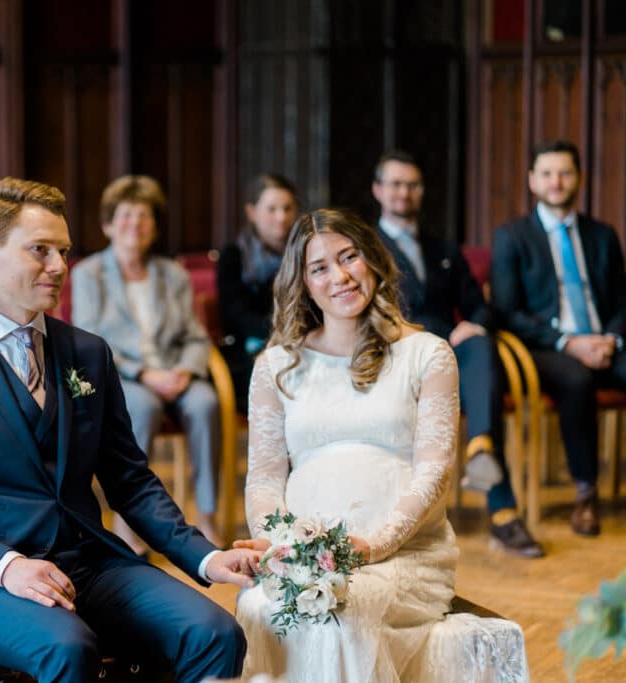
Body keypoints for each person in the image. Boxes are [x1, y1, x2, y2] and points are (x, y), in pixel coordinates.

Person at [0, 177, 260, 683]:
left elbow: (130, 480)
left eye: (63, 251)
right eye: (40, 250)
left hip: (90, 563)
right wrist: (8, 567)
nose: (60, 266)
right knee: (69, 649)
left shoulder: (87, 353)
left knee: (213, 633)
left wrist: (207, 556)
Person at [233, 209, 527, 682]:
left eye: (350, 257)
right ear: (304, 283)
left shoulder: (428, 354)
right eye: (320, 267)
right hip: (305, 556)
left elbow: (434, 470)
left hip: (402, 555)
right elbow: (266, 475)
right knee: (261, 606)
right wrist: (279, 545)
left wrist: (374, 546)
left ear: (372, 259)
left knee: (341, 615)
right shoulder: (275, 365)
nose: (341, 276)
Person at [371, 150, 542, 557]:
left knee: (482, 343)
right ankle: (411, 519)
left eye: (412, 184)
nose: (404, 192)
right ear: (378, 190)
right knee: (464, 358)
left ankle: (486, 460)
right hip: (394, 354)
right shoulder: (364, 247)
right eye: (395, 183)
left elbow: (480, 304)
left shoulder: (441, 246)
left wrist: (474, 323)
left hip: (450, 350)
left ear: (422, 191)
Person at [72, 175, 223, 548]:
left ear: (154, 226)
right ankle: (127, 521)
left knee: (206, 402)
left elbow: (195, 335)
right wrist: (144, 373)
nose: (134, 224)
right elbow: (90, 338)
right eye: (125, 216)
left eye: (143, 216)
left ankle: (206, 515)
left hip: (175, 370)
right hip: (120, 375)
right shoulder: (88, 274)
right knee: (142, 403)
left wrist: (186, 370)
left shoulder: (173, 275)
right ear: (107, 224)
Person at [491, 140, 626, 537]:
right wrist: (570, 342)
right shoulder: (512, 236)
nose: (556, 181)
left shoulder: (603, 235)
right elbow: (507, 312)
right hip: (547, 348)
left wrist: (612, 339)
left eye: (565, 172)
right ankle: (586, 494)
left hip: (605, 343)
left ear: (579, 179)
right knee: (577, 380)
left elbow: (622, 299)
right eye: (547, 173)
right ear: (533, 181)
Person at [217, 173, 300, 414]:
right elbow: (235, 316)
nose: (281, 217)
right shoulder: (234, 255)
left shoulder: (305, 253)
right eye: (271, 209)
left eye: (287, 208)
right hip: (249, 347)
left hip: (300, 341)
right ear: (252, 212)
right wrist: (282, 337)